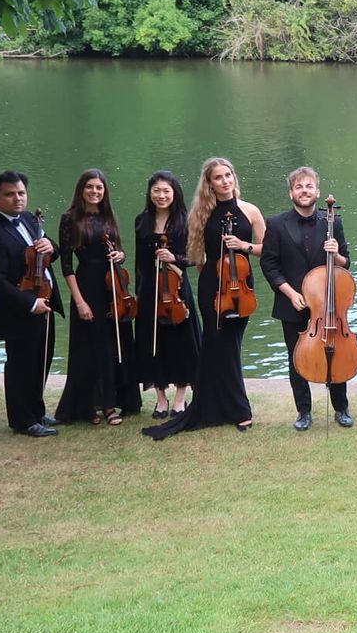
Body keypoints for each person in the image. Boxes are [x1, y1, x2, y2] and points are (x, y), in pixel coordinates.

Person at [145, 157, 266, 439]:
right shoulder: (202, 213)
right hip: (212, 287)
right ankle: (231, 410)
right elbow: (196, 257)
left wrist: (243, 245)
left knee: (231, 347)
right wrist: (173, 259)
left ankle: (234, 407)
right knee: (214, 345)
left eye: (228, 175)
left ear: (234, 177)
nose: (225, 181)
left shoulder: (250, 211)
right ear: (209, 183)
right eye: (218, 177)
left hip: (241, 287)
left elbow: (268, 248)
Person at [261, 166, 354, 430]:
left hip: (329, 304)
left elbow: (346, 265)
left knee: (335, 354)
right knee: (296, 359)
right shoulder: (277, 224)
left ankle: (341, 408)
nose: (305, 191)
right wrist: (290, 293)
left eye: (309, 186)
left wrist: (336, 254)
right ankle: (304, 412)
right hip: (293, 304)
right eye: (299, 187)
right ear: (291, 192)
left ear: (318, 191)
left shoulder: (333, 222)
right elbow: (269, 264)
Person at [54, 169, 141, 426]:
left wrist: (121, 256)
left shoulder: (108, 216)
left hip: (113, 287)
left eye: (99, 188)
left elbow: (119, 248)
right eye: (90, 187)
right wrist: (79, 302)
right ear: (82, 189)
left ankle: (113, 402)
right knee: (90, 348)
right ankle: (90, 404)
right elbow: (67, 267)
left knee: (114, 346)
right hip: (87, 286)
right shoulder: (69, 218)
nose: (95, 191)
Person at [0, 170, 58, 438]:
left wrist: (51, 246)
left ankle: (36, 410)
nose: (17, 199)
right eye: (10, 194)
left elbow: (46, 256)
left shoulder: (30, 220)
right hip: (20, 310)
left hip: (44, 301)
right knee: (21, 366)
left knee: (41, 361)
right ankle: (22, 420)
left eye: (21, 193)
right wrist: (30, 303)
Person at [133, 170, 200, 419]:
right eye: (156, 191)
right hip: (150, 289)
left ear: (174, 193)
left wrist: (175, 258)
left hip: (177, 288)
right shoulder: (142, 221)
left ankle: (181, 398)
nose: (161, 196)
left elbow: (196, 258)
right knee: (153, 344)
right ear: (150, 193)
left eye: (166, 191)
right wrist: (137, 293)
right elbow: (140, 262)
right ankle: (161, 398)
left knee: (182, 343)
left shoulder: (186, 220)